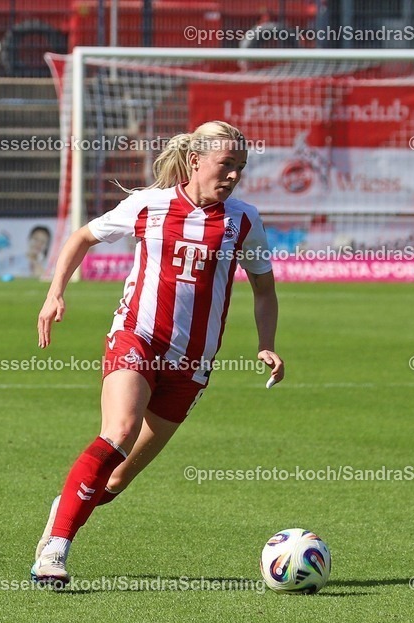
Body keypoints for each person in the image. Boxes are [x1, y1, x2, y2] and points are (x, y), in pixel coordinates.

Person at [31, 121, 284, 585]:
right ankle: (55, 552)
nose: (233, 176)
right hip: (138, 338)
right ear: (195, 161)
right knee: (119, 430)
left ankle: (65, 506)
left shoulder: (244, 219)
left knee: (114, 481)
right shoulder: (149, 204)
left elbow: (264, 289)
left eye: (240, 168)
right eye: (226, 164)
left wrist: (266, 344)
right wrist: (55, 294)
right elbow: (82, 237)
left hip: (191, 365)